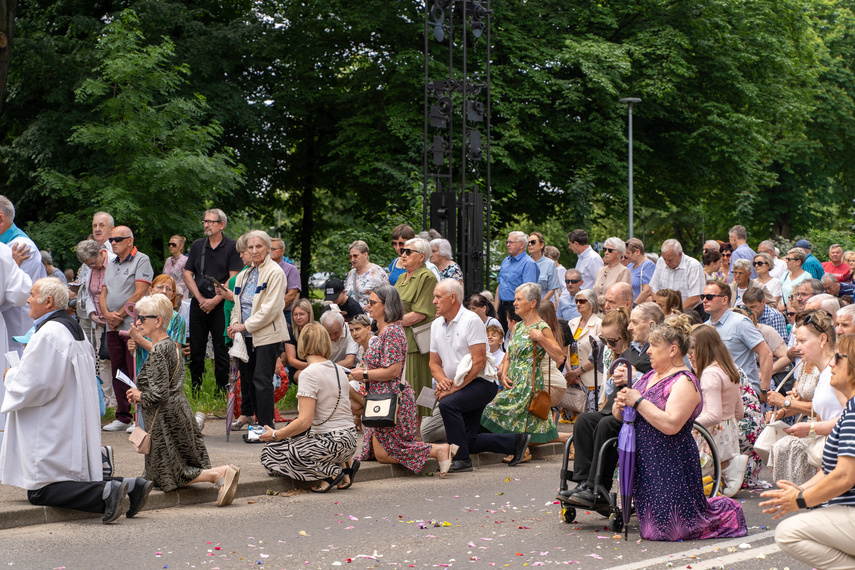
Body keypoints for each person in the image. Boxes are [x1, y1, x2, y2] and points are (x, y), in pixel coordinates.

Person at [2, 277, 153, 524]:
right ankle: (132, 487)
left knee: (41, 489)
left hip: (52, 420)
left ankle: (106, 493)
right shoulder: (73, 329)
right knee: (69, 478)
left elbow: (35, 384)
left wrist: (11, 377)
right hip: (68, 413)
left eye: (32, 294)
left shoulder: (49, 334)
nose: (27, 299)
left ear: (48, 301)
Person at [614, 313, 748, 541]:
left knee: (671, 529)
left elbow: (671, 425)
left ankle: (727, 511)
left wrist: (637, 401)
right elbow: (621, 415)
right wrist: (622, 403)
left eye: (653, 346)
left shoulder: (684, 381)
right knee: (652, 530)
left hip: (671, 460)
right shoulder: (647, 377)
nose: (647, 351)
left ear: (672, 350)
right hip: (646, 458)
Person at [125, 294, 239, 505]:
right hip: (176, 412)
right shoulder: (168, 345)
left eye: (143, 318)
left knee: (173, 472)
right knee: (165, 471)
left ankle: (220, 474)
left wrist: (139, 395)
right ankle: (219, 474)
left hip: (164, 419)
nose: (138, 322)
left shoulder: (160, 349)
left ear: (158, 321)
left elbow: (158, 394)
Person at [761, 334, 855, 570]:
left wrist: (801, 500)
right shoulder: (850, 410)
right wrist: (800, 490)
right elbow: (830, 470)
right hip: (841, 508)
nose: (831, 364)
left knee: (788, 532)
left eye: (839, 359)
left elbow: (845, 476)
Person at [558, 303, 659, 507]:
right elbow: (613, 384)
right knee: (585, 420)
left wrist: (634, 375)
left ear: (651, 324)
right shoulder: (631, 350)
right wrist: (616, 377)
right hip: (616, 407)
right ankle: (583, 482)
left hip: (640, 413)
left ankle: (598, 487)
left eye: (634, 323)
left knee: (606, 425)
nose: (630, 327)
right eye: (629, 322)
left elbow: (661, 379)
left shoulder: (657, 350)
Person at [429, 279, 531, 473]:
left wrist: (454, 389)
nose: (434, 301)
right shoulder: (435, 325)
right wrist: (443, 381)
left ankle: (461, 459)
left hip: (481, 383)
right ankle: (516, 441)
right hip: (458, 384)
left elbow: (479, 362)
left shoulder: (471, 320)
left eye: (437, 297)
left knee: (448, 404)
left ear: (452, 298)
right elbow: (434, 362)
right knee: (468, 439)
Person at [352, 285, 455, 475]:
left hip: (390, 399)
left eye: (373, 302)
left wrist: (364, 375)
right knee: (380, 452)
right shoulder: (386, 331)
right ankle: (437, 451)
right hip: (382, 397)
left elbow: (392, 371)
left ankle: (439, 450)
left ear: (386, 306)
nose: (368, 306)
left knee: (387, 451)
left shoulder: (392, 331)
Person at [258, 323, 358, 491]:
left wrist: (276, 434)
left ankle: (330, 473)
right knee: (292, 442)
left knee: (269, 454)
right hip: (351, 441)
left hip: (329, 442)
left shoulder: (308, 374)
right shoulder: (339, 370)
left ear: (302, 345)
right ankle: (345, 468)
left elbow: (305, 421)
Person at [765, 310, 845, 486]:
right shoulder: (825, 370)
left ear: (823, 340)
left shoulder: (839, 369)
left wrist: (812, 428)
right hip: (829, 455)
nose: (797, 347)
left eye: (803, 341)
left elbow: (849, 419)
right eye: (797, 341)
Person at [226, 230, 289, 435]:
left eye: (259, 246)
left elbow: (270, 308)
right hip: (246, 336)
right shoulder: (245, 274)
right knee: (249, 378)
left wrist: (245, 326)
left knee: (262, 380)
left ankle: (266, 425)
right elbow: (237, 304)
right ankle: (255, 421)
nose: (254, 251)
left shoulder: (275, 272)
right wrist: (234, 324)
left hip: (267, 334)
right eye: (250, 247)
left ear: (268, 248)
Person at [481, 283, 561, 444]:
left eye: (519, 299)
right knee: (530, 428)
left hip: (528, 384)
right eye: (514, 299)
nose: (514, 303)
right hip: (512, 382)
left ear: (532, 303)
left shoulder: (541, 327)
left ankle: (518, 449)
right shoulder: (517, 326)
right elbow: (509, 356)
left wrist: (541, 338)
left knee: (491, 410)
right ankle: (568, 441)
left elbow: (559, 356)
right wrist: (503, 374)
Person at [183, 209, 243, 394]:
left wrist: (215, 301)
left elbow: (233, 278)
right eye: (205, 221)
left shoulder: (232, 246)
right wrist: (200, 299)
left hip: (221, 304)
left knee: (221, 348)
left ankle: (221, 391)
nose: (206, 224)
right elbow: (187, 273)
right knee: (196, 348)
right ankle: (196, 390)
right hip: (198, 302)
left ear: (222, 225)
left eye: (210, 221)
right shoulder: (197, 245)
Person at [100, 226, 154, 432]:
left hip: (133, 324)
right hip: (112, 325)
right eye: (111, 239)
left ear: (130, 240)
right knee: (118, 370)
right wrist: (106, 314)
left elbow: (140, 292)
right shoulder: (111, 262)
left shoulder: (141, 259)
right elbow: (104, 292)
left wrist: (119, 315)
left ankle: (139, 417)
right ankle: (123, 416)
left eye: (118, 239)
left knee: (135, 370)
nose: (113, 242)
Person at [689, 325, 745, 496]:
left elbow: (713, 415)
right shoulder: (729, 368)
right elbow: (739, 411)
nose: (689, 358)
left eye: (691, 354)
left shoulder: (710, 374)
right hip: (728, 428)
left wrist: (689, 424)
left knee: (698, 469)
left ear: (702, 350)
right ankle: (727, 468)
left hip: (712, 431)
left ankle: (729, 466)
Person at [702, 280, 773, 401]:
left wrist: (764, 389)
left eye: (709, 297)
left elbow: (766, 353)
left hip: (743, 393)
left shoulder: (740, 322)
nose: (704, 300)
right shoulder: (704, 327)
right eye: (702, 296)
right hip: (716, 392)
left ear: (724, 300)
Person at [394, 237, 438, 417]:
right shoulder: (402, 277)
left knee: (416, 387)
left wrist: (390, 323)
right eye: (403, 251)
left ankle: (419, 437)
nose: (403, 254)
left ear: (422, 257)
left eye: (408, 251)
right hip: (399, 339)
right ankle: (404, 434)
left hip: (416, 342)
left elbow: (419, 314)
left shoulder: (427, 277)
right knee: (400, 391)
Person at [0, 196, 46, 355]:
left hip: (17, 324)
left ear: (1, 219)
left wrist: (11, 266)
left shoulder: (21, 247)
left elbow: (17, 295)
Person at [75, 239, 117, 408]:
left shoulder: (114, 261)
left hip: (116, 319)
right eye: (88, 265)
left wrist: (110, 315)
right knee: (104, 359)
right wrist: (92, 314)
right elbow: (88, 292)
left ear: (101, 253)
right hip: (99, 321)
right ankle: (107, 400)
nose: (91, 267)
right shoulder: (88, 266)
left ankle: (118, 399)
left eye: (93, 263)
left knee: (118, 359)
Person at [127, 275, 187, 376]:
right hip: (142, 374)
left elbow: (171, 354)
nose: (164, 291)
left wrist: (139, 340)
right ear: (150, 290)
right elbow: (137, 350)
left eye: (168, 289)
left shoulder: (177, 319)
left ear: (172, 296)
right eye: (160, 287)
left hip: (165, 378)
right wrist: (132, 346)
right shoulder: (142, 315)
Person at [644, 239, 705, 312]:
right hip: (665, 313)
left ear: (680, 254)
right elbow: (654, 290)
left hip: (689, 313)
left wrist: (675, 313)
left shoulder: (693, 266)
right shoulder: (661, 261)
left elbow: (694, 298)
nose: (666, 262)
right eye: (664, 259)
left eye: (669, 260)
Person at [565, 289, 602, 408]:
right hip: (572, 378)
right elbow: (565, 350)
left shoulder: (599, 324)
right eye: (576, 301)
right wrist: (570, 372)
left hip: (590, 377)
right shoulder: (571, 323)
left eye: (582, 301)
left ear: (591, 303)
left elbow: (598, 355)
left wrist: (577, 372)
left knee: (588, 416)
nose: (578, 304)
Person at [495, 231, 539, 332]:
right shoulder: (505, 261)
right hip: (502, 307)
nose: (508, 245)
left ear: (521, 244)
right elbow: (500, 286)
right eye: (507, 242)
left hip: (517, 308)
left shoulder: (528, 264)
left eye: (511, 242)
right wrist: (495, 310)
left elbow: (529, 292)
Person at [344, 240, 389, 312]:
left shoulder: (376, 271)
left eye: (355, 256)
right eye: (350, 256)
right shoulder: (351, 273)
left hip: (372, 317)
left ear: (365, 255)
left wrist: (372, 305)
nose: (352, 259)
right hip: (354, 318)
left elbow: (388, 296)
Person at [282, 298, 314, 386]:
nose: (298, 317)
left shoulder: (317, 329)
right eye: (295, 314)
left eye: (301, 314)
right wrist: (311, 367)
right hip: (298, 368)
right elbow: (291, 360)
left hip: (317, 365)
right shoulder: (291, 331)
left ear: (309, 314)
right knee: (304, 375)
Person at [270, 238, 301, 325]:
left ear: (282, 251)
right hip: (265, 314)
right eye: (268, 249)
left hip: (285, 314)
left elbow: (291, 295)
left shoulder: (291, 269)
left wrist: (274, 309)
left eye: (273, 249)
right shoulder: (263, 269)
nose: (270, 251)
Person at [592, 237, 631, 306]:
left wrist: (600, 299)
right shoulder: (600, 270)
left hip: (613, 312)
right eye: (604, 249)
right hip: (597, 312)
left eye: (610, 250)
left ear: (618, 254)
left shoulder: (624, 271)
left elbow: (621, 296)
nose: (606, 252)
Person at [527, 232, 560, 303]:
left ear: (541, 245)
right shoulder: (525, 263)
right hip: (526, 304)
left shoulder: (550, 263)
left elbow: (552, 289)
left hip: (543, 305)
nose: (529, 244)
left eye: (533, 242)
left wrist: (540, 304)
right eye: (528, 242)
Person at [625, 237, 655, 303]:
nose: (626, 256)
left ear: (637, 252)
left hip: (640, 308)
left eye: (628, 253)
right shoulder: (630, 266)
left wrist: (634, 305)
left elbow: (647, 291)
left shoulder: (648, 265)